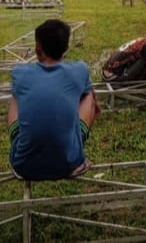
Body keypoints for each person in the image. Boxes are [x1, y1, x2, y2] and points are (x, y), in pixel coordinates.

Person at [9, 19, 100, 180]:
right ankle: (77, 150)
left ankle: (18, 139)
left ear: (38, 47)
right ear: (65, 48)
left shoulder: (19, 73)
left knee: (16, 95)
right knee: (89, 95)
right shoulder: (80, 70)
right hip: (69, 164)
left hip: (23, 166)